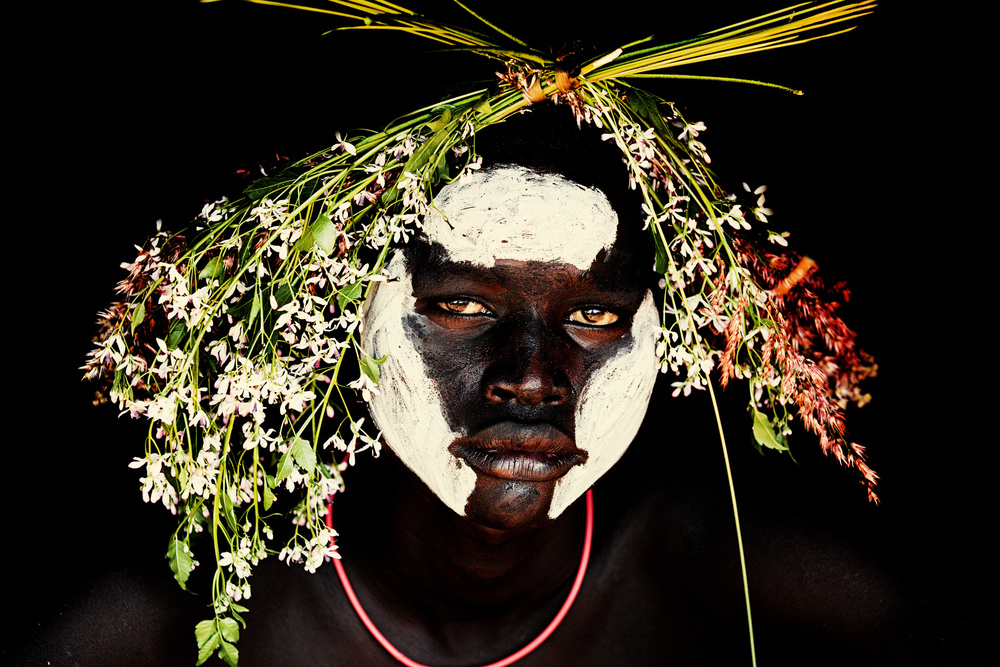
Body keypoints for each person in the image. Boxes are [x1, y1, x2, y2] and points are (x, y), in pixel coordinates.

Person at [15, 106, 921, 667]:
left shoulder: (717, 560)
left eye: (595, 318)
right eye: (460, 305)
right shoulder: (178, 608)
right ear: (340, 321)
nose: (530, 377)